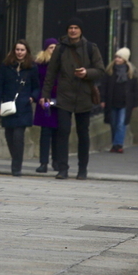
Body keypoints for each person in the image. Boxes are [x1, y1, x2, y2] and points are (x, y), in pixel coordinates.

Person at [40, 17, 105, 180]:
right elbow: (51, 73)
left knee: (83, 133)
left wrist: (86, 73)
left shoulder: (91, 48)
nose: (73, 30)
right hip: (64, 96)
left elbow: (100, 70)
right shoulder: (60, 49)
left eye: (76, 27)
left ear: (81, 30)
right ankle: (63, 168)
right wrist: (45, 95)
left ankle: (82, 169)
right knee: (63, 131)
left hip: (84, 96)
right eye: (70, 27)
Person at [0, 40, 41, 176]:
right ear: (14, 51)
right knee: (9, 136)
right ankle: (16, 159)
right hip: (8, 106)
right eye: (18, 49)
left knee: (18, 136)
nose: (20, 52)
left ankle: (16, 167)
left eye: (22, 50)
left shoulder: (32, 67)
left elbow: (37, 87)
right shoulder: (6, 66)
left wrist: (32, 98)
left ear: (27, 52)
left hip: (23, 107)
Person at [101, 48, 138, 152]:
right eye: (116, 57)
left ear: (125, 59)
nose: (117, 59)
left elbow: (135, 89)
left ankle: (119, 145)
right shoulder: (110, 71)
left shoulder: (131, 72)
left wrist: (135, 102)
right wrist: (103, 99)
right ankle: (115, 144)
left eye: (120, 57)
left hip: (125, 103)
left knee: (121, 124)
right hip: (112, 101)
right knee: (113, 123)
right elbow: (104, 86)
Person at [32, 38, 60, 172]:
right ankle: (43, 162)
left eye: (55, 47)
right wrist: (41, 97)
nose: (53, 50)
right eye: (51, 47)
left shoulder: (62, 64)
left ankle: (56, 161)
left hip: (59, 101)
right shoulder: (40, 64)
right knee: (45, 132)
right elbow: (36, 83)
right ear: (46, 49)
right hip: (45, 102)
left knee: (57, 132)